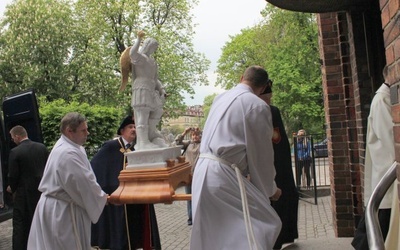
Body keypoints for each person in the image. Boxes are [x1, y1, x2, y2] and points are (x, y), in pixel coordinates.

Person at [190, 65, 282, 250]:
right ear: (263, 87)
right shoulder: (257, 105)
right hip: (223, 175)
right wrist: (271, 190)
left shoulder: (220, 98)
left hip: (203, 171)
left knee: (214, 234)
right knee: (263, 223)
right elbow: (261, 155)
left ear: (242, 78)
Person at [27, 112, 108, 250]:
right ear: (69, 131)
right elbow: (82, 184)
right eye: (83, 130)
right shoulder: (67, 153)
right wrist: (103, 198)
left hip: (61, 206)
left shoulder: (71, 147)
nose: (87, 133)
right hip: (62, 212)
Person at [91, 115, 161, 250]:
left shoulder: (134, 149)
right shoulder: (112, 146)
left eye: (135, 127)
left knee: (134, 233)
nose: (134, 130)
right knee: (120, 235)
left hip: (134, 198)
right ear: (122, 131)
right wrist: (112, 186)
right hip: (118, 198)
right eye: (130, 127)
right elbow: (94, 167)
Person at [352, 66, 394, 249]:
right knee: (379, 228)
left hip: (387, 174)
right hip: (387, 173)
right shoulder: (382, 100)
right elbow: (391, 140)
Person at [259, 81, 299, 249]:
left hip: (273, 164)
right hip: (279, 164)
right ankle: (284, 235)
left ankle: (279, 237)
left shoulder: (268, 111)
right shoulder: (269, 110)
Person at [119, 30, 167, 150]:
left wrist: (161, 89)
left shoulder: (152, 62)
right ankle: (143, 142)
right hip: (141, 87)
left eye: (155, 48)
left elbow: (155, 79)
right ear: (148, 45)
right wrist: (139, 39)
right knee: (143, 115)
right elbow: (133, 53)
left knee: (158, 110)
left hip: (151, 89)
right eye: (153, 47)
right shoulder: (140, 58)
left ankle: (151, 133)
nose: (154, 49)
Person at [6, 125, 49, 250]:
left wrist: (11, 188)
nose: (13, 140)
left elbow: (13, 175)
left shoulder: (15, 152)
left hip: (23, 194)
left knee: (21, 224)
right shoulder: (41, 147)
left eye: (13, 137)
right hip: (41, 191)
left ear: (17, 136)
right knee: (41, 221)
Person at [175, 127, 202, 226]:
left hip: (199, 175)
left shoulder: (203, 145)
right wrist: (185, 132)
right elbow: (177, 142)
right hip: (188, 175)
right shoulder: (188, 144)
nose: (195, 137)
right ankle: (190, 218)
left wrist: (200, 130)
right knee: (189, 197)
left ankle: (198, 217)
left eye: (197, 135)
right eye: (193, 135)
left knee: (199, 197)